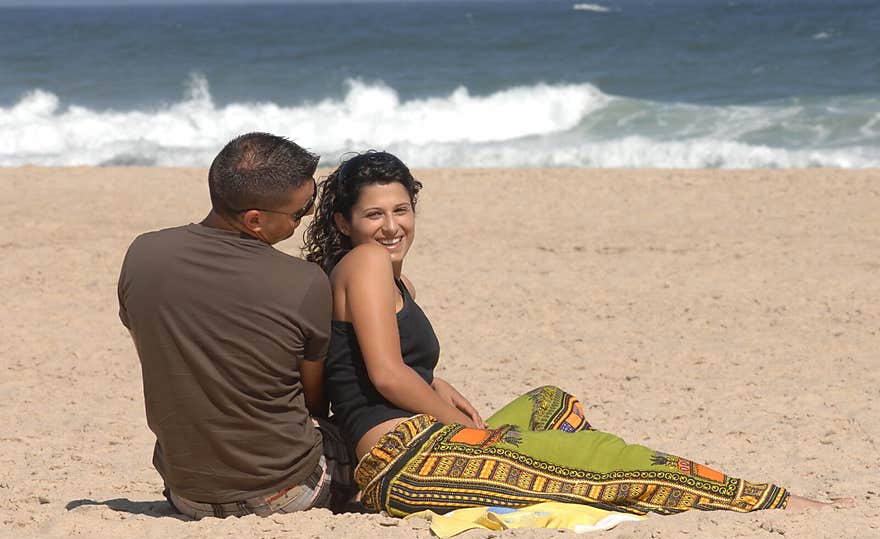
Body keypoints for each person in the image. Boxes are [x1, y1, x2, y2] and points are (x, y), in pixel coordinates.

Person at [302, 150, 853, 518]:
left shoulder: (393, 276)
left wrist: (439, 384)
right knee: (608, 468)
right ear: (346, 223)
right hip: (401, 457)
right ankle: (772, 502)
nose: (392, 226)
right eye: (374, 214)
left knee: (551, 404)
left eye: (402, 209)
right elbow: (387, 374)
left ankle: (533, 459)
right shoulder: (367, 262)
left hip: (428, 435)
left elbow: (379, 361)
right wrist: (462, 425)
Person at [118, 132, 356, 520]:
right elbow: (315, 402)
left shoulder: (143, 255)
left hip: (186, 492)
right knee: (368, 423)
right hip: (285, 491)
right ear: (254, 220)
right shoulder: (303, 281)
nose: (309, 214)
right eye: (300, 210)